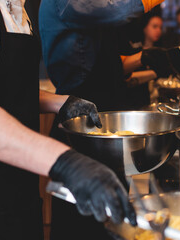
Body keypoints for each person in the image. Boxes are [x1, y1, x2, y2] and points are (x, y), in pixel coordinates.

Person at [0, 0, 137, 239]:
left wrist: (60, 102)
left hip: (23, 188)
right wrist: (66, 162)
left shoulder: (19, 9)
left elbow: (5, 90)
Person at [38, 0, 167, 239]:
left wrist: (145, 58)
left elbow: (109, 64)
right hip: (80, 123)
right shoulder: (65, 2)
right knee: (81, 224)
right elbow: (118, 8)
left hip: (110, 128)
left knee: (117, 217)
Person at [123, 13, 164, 110]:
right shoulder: (134, 52)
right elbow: (127, 77)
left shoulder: (161, 51)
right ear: (144, 27)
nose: (158, 30)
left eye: (160, 27)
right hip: (137, 104)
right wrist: (155, 73)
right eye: (154, 26)